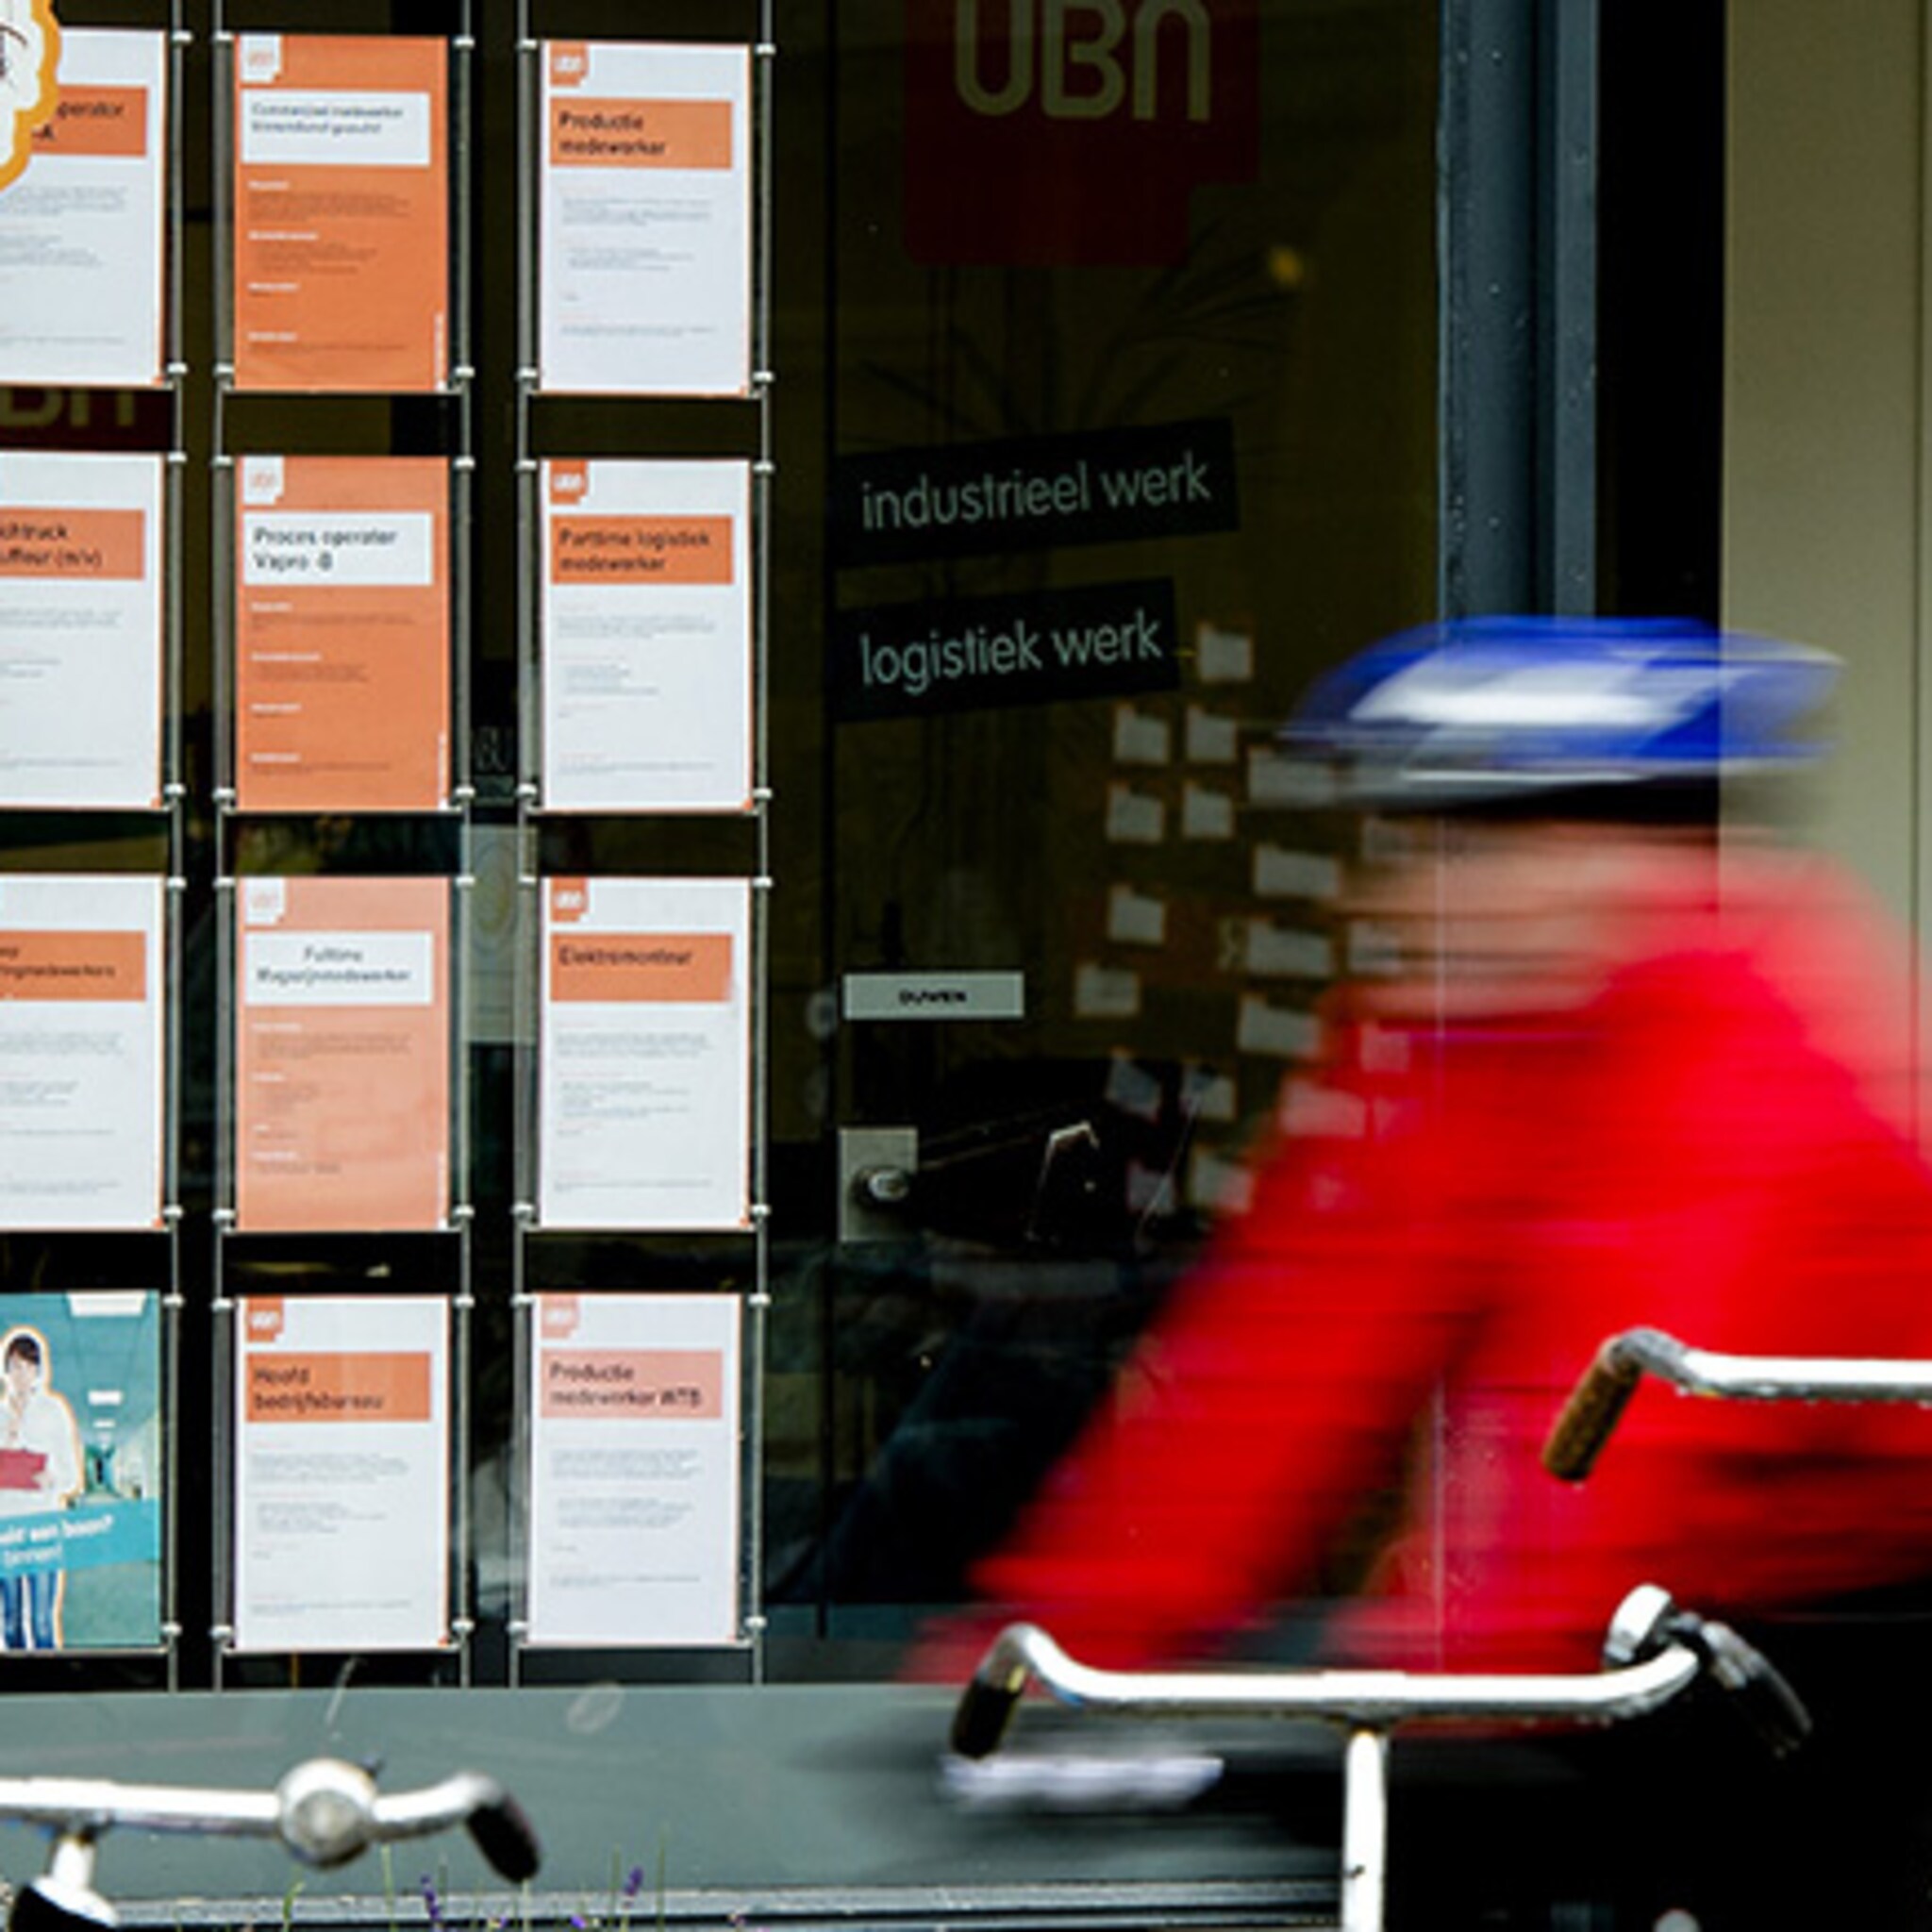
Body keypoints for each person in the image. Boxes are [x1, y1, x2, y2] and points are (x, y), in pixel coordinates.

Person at [924, 617, 1932, 1927]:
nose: (1390, 891)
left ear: (1599, 854)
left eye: (1454, 845)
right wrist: (1048, 1660)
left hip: (1846, 1618)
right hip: (1633, 1630)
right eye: (1401, 843)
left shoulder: (1749, 1037)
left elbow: (1611, 1424)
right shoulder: (1451, 1042)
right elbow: (1276, 1361)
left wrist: (1442, 1703)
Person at [0, 1327, 82, 1652]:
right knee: (9, 1618)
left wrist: (53, 1478)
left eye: (29, 1366)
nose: (22, 1375)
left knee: (43, 1620)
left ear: (39, 1370)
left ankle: (52, 1687)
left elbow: (73, 1476)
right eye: (15, 1366)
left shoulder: (53, 1411)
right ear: (6, 1370)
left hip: (43, 1527)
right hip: (6, 1528)